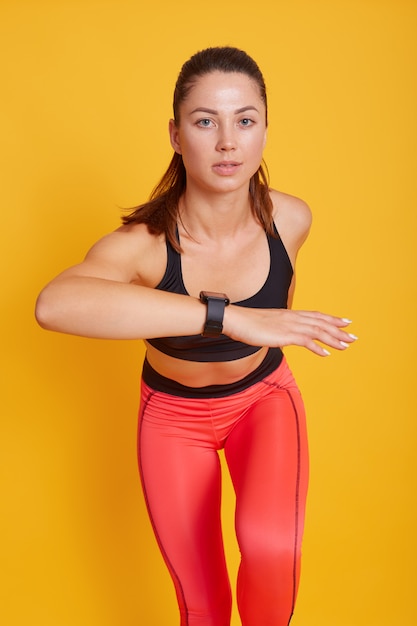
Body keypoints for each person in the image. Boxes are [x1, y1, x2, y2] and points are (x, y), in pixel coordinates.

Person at [35, 46, 356, 626]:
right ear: (177, 136)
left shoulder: (292, 220)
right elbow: (55, 305)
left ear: (264, 131)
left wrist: (254, 329)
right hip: (172, 420)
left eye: (245, 120)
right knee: (202, 602)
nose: (227, 142)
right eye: (205, 121)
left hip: (264, 402)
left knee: (272, 553)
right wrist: (228, 317)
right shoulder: (142, 245)